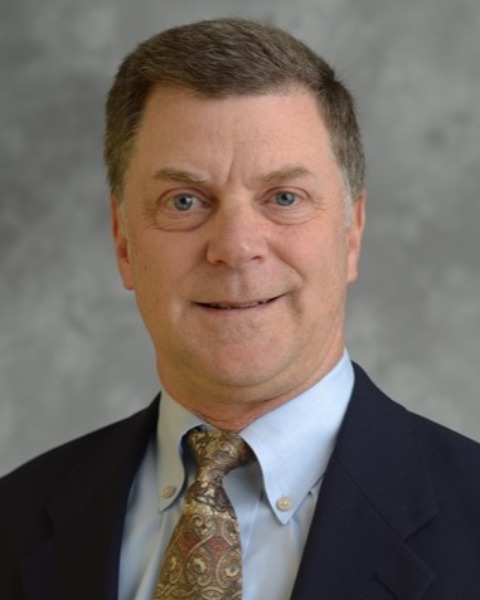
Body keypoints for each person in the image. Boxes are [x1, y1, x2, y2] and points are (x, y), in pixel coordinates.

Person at [1, 17, 480, 600]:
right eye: (184, 201)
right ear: (124, 242)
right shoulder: (14, 521)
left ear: (351, 231)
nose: (234, 247)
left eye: (284, 197)